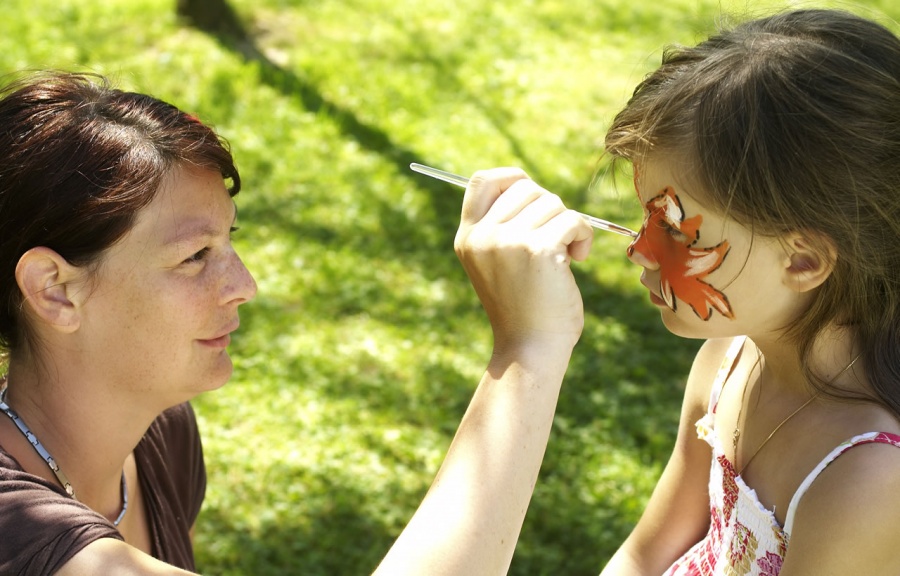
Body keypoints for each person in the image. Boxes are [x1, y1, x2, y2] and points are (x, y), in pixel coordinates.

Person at [0, 71, 593, 574]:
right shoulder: (14, 525)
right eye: (194, 257)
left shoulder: (163, 433)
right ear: (55, 291)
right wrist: (528, 348)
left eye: (227, 241)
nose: (244, 285)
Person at [591, 8, 900, 575]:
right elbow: (645, 553)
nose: (638, 249)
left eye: (676, 229)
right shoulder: (726, 362)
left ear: (804, 259)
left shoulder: (870, 481)